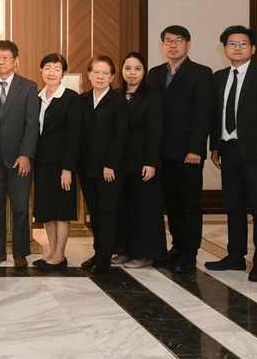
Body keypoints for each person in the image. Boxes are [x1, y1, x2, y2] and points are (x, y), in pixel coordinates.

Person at [206, 25, 257, 282]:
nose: (237, 48)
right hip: (228, 151)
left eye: (243, 44)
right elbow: (215, 115)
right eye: (232, 44)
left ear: (252, 48)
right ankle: (235, 256)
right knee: (233, 207)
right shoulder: (219, 77)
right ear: (224, 49)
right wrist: (215, 146)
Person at [147, 25, 213, 274]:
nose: (173, 45)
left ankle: (189, 252)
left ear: (188, 44)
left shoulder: (201, 73)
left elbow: (203, 114)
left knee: (189, 203)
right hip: (162, 152)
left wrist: (196, 148)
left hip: (188, 153)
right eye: (168, 41)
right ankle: (177, 246)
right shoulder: (155, 74)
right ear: (162, 45)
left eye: (178, 40)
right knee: (171, 201)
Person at [0, 40, 39, 268]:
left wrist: (26, 154)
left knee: (21, 207)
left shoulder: (29, 87)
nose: (1, 62)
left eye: (5, 58)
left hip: (20, 159)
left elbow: (32, 125)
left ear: (15, 60)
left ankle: (20, 252)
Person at [114, 52, 165, 269]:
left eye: (137, 68)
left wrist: (151, 162)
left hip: (143, 161)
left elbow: (156, 132)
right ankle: (125, 249)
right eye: (128, 68)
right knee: (123, 207)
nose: (132, 73)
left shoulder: (152, 96)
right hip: (120, 162)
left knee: (143, 209)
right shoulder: (116, 95)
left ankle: (145, 254)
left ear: (144, 71)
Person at [79, 55, 128, 274]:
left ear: (112, 77)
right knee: (95, 212)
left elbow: (121, 136)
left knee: (107, 213)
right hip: (86, 167)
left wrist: (111, 164)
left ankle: (105, 257)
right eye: (96, 72)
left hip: (109, 169)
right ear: (89, 75)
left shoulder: (118, 102)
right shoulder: (82, 100)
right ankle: (98, 251)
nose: (100, 76)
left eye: (105, 73)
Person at [31, 54, 81, 271]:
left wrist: (68, 168)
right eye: (48, 68)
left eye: (57, 69)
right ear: (42, 70)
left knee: (61, 210)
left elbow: (74, 136)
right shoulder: (37, 97)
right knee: (47, 210)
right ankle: (52, 253)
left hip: (61, 165)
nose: (52, 73)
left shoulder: (71, 98)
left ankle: (59, 256)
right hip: (42, 164)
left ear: (63, 73)